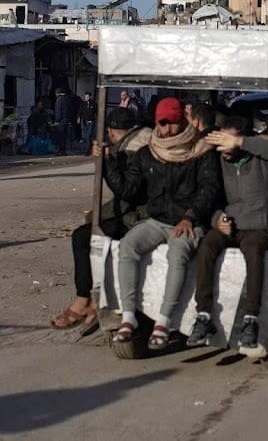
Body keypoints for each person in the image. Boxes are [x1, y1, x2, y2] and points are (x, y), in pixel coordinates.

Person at [104, 97, 222, 351]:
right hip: (157, 220)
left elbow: (209, 188)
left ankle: (164, 321)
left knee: (178, 252)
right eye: (163, 123)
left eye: (172, 123)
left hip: (190, 221)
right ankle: (128, 316)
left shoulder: (201, 150)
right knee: (128, 247)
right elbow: (129, 190)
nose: (167, 129)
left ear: (182, 121)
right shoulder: (149, 153)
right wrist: (107, 164)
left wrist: (190, 216)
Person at [188, 116, 268, 350]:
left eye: (227, 140)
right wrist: (217, 218)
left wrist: (239, 143)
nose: (223, 147)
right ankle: (203, 314)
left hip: (257, 224)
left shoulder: (262, 160)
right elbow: (212, 196)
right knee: (207, 246)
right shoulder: (219, 162)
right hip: (228, 223)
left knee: (253, 252)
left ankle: (250, 319)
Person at [51, 108, 153, 330]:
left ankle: (84, 299)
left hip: (141, 218)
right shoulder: (141, 139)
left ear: (111, 131)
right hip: (141, 213)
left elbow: (128, 194)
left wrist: (107, 162)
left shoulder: (132, 150)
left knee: (83, 237)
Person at [53, 88, 72, 156]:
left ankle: (60, 150)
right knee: (64, 136)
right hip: (66, 120)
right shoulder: (67, 99)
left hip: (61, 121)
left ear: (57, 93)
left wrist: (57, 121)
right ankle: (63, 150)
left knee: (60, 136)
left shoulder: (59, 100)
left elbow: (58, 111)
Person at [79, 91, 97, 155]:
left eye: (87, 97)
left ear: (90, 97)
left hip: (91, 122)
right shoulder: (83, 104)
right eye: (85, 97)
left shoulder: (94, 104)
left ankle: (87, 150)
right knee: (85, 136)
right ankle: (87, 147)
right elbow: (80, 112)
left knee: (88, 136)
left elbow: (96, 113)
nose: (86, 98)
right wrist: (78, 119)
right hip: (84, 122)